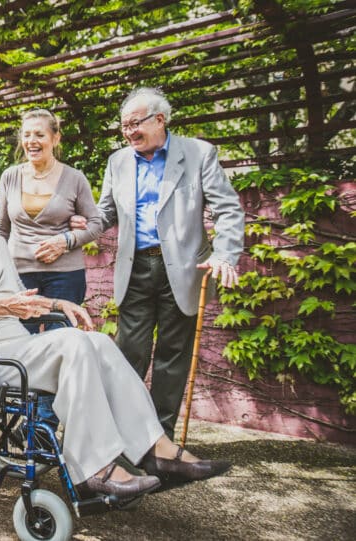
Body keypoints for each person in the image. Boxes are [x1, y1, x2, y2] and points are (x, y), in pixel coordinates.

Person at [0, 173, 231, 499]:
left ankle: (157, 449)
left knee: (96, 341)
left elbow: (19, 299)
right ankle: (92, 468)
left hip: (19, 346)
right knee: (72, 343)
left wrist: (58, 303)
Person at [89, 87, 244, 439]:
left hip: (185, 269)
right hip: (136, 268)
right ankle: (124, 434)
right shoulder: (118, 162)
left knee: (173, 357)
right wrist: (82, 225)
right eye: (124, 126)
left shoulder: (199, 153)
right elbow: (105, 212)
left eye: (134, 124)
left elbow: (228, 209)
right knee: (129, 353)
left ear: (159, 119)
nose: (128, 132)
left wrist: (225, 254)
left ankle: (160, 440)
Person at [0, 109, 101, 333]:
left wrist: (66, 240)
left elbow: (95, 224)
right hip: (19, 273)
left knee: (60, 339)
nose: (32, 141)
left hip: (65, 276)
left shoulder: (74, 178)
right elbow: (0, 229)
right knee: (21, 340)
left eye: (39, 135)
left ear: (55, 138)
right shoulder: (10, 177)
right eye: (27, 135)